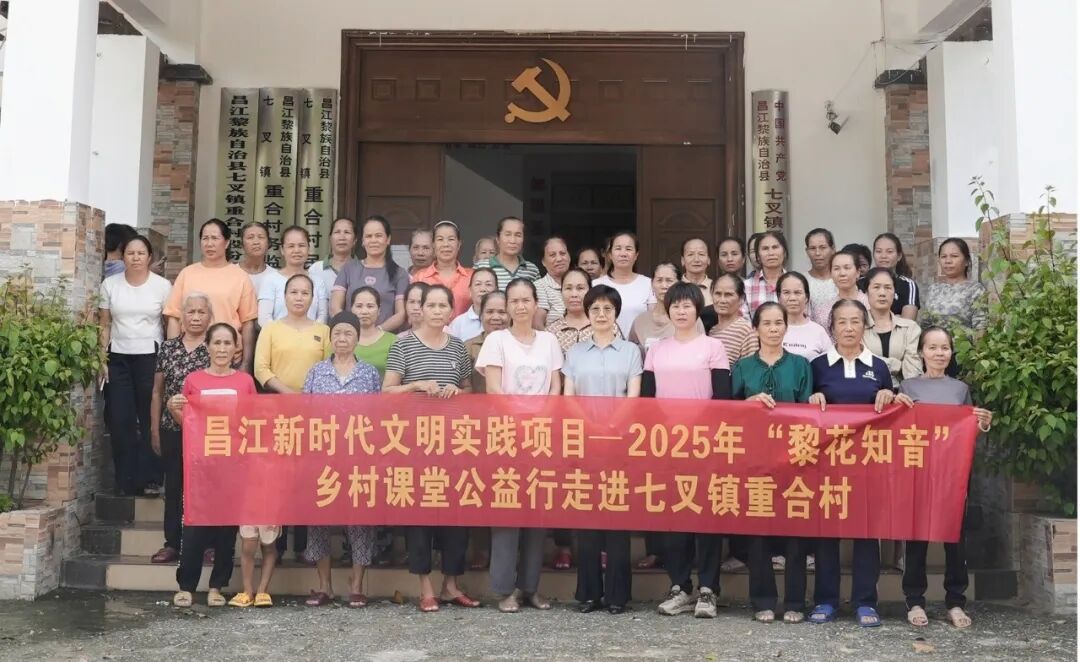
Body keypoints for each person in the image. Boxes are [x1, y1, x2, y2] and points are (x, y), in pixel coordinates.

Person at [383, 285, 477, 612]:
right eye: (431, 305)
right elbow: (387, 391)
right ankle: (425, 587)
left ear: (451, 311)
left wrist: (456, 390)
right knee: (420, 516)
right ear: (420, 309)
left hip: (453, 443)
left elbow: (469, 390)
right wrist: (416, 385)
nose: (437, 311)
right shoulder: (403, 344)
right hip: (414, 444)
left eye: (443, 306)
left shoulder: (458, 347)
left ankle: (451, 585)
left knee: (456, 515)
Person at [643, 282, 731, 619]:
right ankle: (680, 586)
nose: (681, 311)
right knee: (674, 515)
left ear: (697, 309)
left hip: (704, 442)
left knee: (706, 515)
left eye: (687, 305)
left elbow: (722, 398)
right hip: (667, 444)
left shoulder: (713, 347)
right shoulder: (657, 350)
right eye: (675, 306)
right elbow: (647, 401)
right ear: (668, 310)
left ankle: (708, 588)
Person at [807, 299, 897, 627]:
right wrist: (812, 398)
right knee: (826, 535)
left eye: (855, 321)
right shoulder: (817, 366)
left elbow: (893, 414)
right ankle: (826, 600)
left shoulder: (879, 366)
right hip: (827, 464)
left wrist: (889, 397)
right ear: (832, 328)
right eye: (842, 322)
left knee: (866, 534)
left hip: (867, 464)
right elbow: (802, 412)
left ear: (865, 326)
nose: (848, 328)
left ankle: (865, 601)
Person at [476, 278, 563, 613]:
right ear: (507, 306)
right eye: (514, 301)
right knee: (507, 512)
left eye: (526, 300)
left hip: (541, 437)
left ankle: (530, 587)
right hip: (506, 436)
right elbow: (494, 390)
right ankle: (504, 590)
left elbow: (555, 387)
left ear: (536, 303)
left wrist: (539, 419)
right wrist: (521, 420)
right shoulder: (496, 340)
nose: (521, 306)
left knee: (537, 516)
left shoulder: (549, 341)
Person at [897, 326, 992, 629]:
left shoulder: (960, 389)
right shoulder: (907, 387)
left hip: (952, 474)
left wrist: (983, 423)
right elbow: (896, 428)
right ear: (921, 352)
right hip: (918, 470)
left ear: (951, 353)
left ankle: (955, 601)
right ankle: (914, 600)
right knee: (916, 537)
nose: (939, 353)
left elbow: (967, 431)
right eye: (933, 347)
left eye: (945, 348)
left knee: (955, 539)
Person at [731, 302, 813, 623]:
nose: (774, 329)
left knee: (796, 533)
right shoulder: (742, 367)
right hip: (754, 459)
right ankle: (763, 599)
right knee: (759, 532)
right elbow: (727, 413)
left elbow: (808, 412)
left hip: (794, 457)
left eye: (779, 323)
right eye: (767, 323)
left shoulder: (801, 365)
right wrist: (748, 404)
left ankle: (795, 602)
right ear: (756, 328)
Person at [565, 284, 642, 615]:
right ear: (587, 313)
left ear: (616, 314)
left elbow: (633, 396)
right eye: (595, 309)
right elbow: (568, 396)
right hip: (583, 442)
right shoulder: (575, 353)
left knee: (617, 521)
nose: (601, 314)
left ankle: (617, 596)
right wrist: (591, 426)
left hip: (619, 442)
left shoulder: (630, 351)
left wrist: (610, 426)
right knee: (587, 521)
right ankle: (588, 593)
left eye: (607, 309)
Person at [168, 322, 253, 608]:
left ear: (236, 348)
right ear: (207, 346)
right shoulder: (194, 380)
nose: (222, 349)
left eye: (228, 343)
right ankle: (186, 586)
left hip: (233, 465)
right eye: (217, 342)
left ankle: (217, 586)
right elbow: (189, 424)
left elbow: (252, 422)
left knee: (226, 530)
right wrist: (173, 409)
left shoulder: (245, 382)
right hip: (201, 467)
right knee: (194, 526)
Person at [301, 312, 381, 609]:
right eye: (337, 333)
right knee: (318, 519)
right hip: (322, 457)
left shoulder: (369, 373)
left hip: (359, 456)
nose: (342, 339)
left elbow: (380, 417)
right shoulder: (316, 372)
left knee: (359, 520)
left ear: (357, 338)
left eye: (348, 333)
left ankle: (356, 585)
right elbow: (304, 413)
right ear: (330, 338)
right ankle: (324, 586)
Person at [99, 234, 172, 497]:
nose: (136, 258)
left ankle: (151, 478)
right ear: (123, 257)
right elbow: (104, 323)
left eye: (141, 253)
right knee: (120, 419)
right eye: (131, 253)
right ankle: (125, 480)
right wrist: (101, 358)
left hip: (150, 357)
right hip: (118, 358)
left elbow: (168, 324)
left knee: (150, 416)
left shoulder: (162, 286)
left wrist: (170, 359)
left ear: (150, 257)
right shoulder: (110, 284)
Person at [149, 293, 211, 564]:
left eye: (201, 312)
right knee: (174, 486)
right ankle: (172, 543)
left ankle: (208, 544)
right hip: (171, 428)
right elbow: (157, 391)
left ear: (210, 317)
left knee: (206, 487)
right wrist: (154, 429)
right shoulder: (168, 348)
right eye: (190, 312)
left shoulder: (215, 348)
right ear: (182, 317)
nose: (195, 317)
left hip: (207, 431)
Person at [163, 219, 257, 370]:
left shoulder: (240, 276)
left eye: (215, 238)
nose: (209, 243)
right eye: (205, 238)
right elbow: (173, 316)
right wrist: (174, 354)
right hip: (189, 353)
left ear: (227, 242)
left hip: (226, 353)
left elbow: (248, 322)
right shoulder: (187, 273)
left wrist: (246, 363)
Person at [329, 216, 409, 330]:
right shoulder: (349, 268)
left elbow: (401, 314)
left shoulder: (399, 273)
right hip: (351, 336)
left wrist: (376, 332)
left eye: (378, 236)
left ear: (388, 239)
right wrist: (351, 329)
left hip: (384, 336)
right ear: (362, 241)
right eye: (368, 236)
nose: (373, 240)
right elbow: (335, 307)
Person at [257, 225, 329, 327]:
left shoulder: (318, 281)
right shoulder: (270, 280)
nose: (296, 250)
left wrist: (308, 333)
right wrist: (286, 334)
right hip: (278, 336)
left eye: (301, 245)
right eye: (291, 246)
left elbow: (322, 316)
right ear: (282, 250)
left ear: (308, 249)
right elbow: (264, 318)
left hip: (311, 336)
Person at [862, 267, 922, 386]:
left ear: (894, 293)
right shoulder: (857, 326)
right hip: (866, 390)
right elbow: (860, 364)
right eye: (876, 287)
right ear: (866, 292)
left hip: (903, 392)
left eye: (888, 287)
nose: (882, 293)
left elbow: (913, 370)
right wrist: (898, 365)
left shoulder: (910, 328)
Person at [919, 238, 987, 333]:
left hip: (963, 342)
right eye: (943, 256)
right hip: (934, 342)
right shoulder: (933, 289)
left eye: (954, 256)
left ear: (967, 261)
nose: (948, 261)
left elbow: (980, 328)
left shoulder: (975, 290)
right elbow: (924, 325)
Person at [594, 232, 654, 338]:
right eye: (618, 248)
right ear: (610, 255)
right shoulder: (596, 285)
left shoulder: (648, 284)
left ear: (636, 255)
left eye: (628, 249)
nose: (623, 253)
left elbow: (652, 320)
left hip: (639, 345)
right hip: (604, 343)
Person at [412, 220, 473, 318]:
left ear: (459, 244)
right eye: (440, 239)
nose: (446, 244)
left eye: (451, 239)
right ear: (433, 245)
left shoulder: (472, 277)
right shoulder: (420, 277)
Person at [627, 263, 693, 353]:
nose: (664, 286)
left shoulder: (691, 318)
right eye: (659, 280)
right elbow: (631, 354)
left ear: (679, 284)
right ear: (652, 284)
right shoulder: (640, 321)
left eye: (669, 280)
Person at [862, 232, 920, 319]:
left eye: (889, 252)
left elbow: (908, 323)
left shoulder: (908, 285)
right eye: (878, 251)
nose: (883, 256)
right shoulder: (861, 282)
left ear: (899, 256)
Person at [777, 271, 832, 361]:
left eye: (797, 292)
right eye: (786, 292)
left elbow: (829, 364)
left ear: (806, 297)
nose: (792, 298)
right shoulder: (771, 329)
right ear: (779, 297)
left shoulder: (818, 331)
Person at [475, 216, 540, 290]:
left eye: (518, 235)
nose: (512, 240)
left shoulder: (532, 270)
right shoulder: (480, 266)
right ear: (498, 239)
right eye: (508, 234)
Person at [809, 249, 869, 329]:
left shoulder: (870, 304)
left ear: (858, 272)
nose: (842, 273)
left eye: (847, 268)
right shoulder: (823, 311)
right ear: (831, 273)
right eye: (836, 268)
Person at [544, 268, 599, 352]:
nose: (574, 294)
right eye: (568, 288)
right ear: (561, 292)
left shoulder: (606, 326)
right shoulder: (551, 331)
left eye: (580, 288)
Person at [707, 273, 758, 363]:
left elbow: (751, 368)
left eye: (728, 295)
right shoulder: (712, 331)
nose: (722, 300)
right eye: (718, 294)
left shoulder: (746, 331)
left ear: (741, 298)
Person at [465, 291, 509, 394]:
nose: (495, 317)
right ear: (481, 315)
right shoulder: (468, 347)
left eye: (502, 312)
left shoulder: (519, 344)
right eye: (490, 312)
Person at [307, 217, 358, 305]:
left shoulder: (363, 269)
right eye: (337, 232)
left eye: (347, 232)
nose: (342, 237)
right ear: (330, 238)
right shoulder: (316, 269)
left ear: (355, 240)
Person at [349, 287, 397, 378]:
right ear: (351, 309)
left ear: (379, 310)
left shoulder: (393, 341)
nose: (364, 311)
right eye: (359, 306)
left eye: (370, 306)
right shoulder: (341, 340)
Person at [743, 230, 787, 315]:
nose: (771, 253)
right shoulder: (747, 286)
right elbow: (743, 318)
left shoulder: (797, 284)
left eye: (775, 247)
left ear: (784, 252)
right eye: (765, 248)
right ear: (758, 256)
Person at [449, 268, 498, 341]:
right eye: (478, 284)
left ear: (496, 290)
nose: (483, 289)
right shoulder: (458, 324)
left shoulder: (503, 320)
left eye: (488, 284)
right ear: (470, 290)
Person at [534, 236, 571, 326]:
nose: (559, 259)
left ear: (569, 257)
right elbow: (537, 324)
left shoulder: (580, 283)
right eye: (552, 255)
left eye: (562, 253)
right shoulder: (539, 286)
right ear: (543, 261)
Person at [804, 228, 838, 320]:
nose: (817, 253)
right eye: (812, 248)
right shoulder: (801, 281)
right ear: (807, 251)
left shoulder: (842, 279)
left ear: (833, 249)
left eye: (823, 247)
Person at [238, 221, 272, 297]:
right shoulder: (231, 273)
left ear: (268, 243)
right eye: (250, 237)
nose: (256, 242)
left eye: (261, 237)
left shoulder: (275, 276)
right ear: (242, 244)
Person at [681, 238, 713, 304]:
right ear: (682, 260)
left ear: (708, 260)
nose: (696, 260)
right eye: (690, 254)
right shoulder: (673, 286)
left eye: (701, 254)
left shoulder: (716, 287)